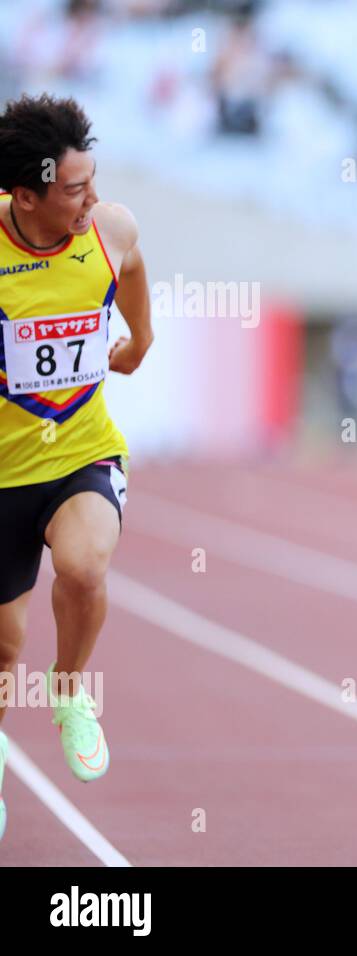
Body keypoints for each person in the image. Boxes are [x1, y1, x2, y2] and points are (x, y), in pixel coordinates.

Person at [0, 93, 154, 843]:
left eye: (93, 181)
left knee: (85, 564)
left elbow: (133, 261)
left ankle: (68, 691)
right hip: (2, 473)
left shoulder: (110, 227)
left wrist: (142, 338)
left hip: (82, 448)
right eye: (74, 191)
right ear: (24, 196)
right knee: (2, 644)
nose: (92, 200)